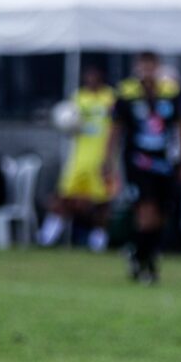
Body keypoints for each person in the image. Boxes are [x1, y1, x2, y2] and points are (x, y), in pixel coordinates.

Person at [105, 52, 181, 284]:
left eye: (151, 65)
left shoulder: (171, 92)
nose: (147, 70)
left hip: (165, 163)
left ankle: (139, 253)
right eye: (142, 65)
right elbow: (115, 129)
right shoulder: (126, 93)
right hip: (137, 162)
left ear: (158, 67)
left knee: (161, 215)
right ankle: (148, 264)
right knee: (146, 213)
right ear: (136, 67)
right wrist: (107, 161)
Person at [38, 65, 116, 251]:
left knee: (102, 204)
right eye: (88, 76)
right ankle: (45, 240)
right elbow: (68, 124)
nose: (91, 80)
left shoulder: (110, 97)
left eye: (94, 76)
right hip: (79, 158)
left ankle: (98, 244)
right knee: (64, 198)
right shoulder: (78, 97)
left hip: (101, 158)